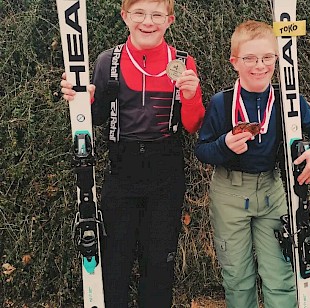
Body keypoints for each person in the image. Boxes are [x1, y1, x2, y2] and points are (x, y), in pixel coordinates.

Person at [61, 0, 204, 307]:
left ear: (170, 20)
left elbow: (193, 125)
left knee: (159, 262)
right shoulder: (107, 60)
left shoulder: (182, 61)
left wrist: (191, 97)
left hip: (166, 171)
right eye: (139, 13)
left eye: (156, 15)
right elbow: (94, 117)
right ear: (125, 16)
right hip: (121, 169)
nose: (147, 22)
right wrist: (80, 99)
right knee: (115, 261)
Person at [195, 20, 310, 308]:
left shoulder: (287, 100)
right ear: (234, 62)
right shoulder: (222, 102)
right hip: (230, 194)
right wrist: (223, 146)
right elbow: (202, 149)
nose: (259, 66)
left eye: (267, 57)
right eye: (249, 58)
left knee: (280, 274)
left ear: (276, 59)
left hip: (273, 193)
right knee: (237, 276)